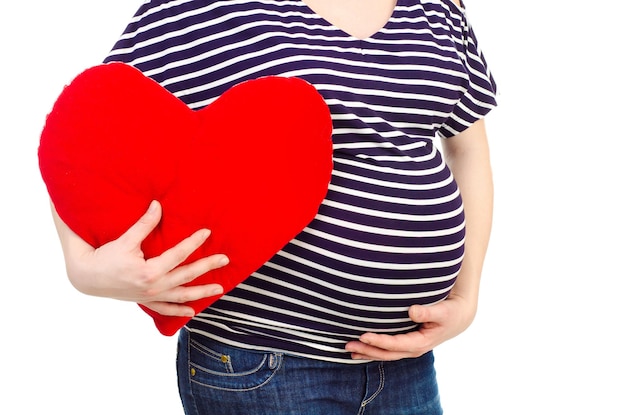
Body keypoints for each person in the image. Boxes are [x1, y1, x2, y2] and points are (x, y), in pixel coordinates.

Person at [50, 0, 497, 413]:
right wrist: (82, 266)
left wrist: (466, 294)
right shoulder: (201, 8)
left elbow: (468, 148)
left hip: (407, 363)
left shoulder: (438, 8)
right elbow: (89, 126)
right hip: (262, 364)